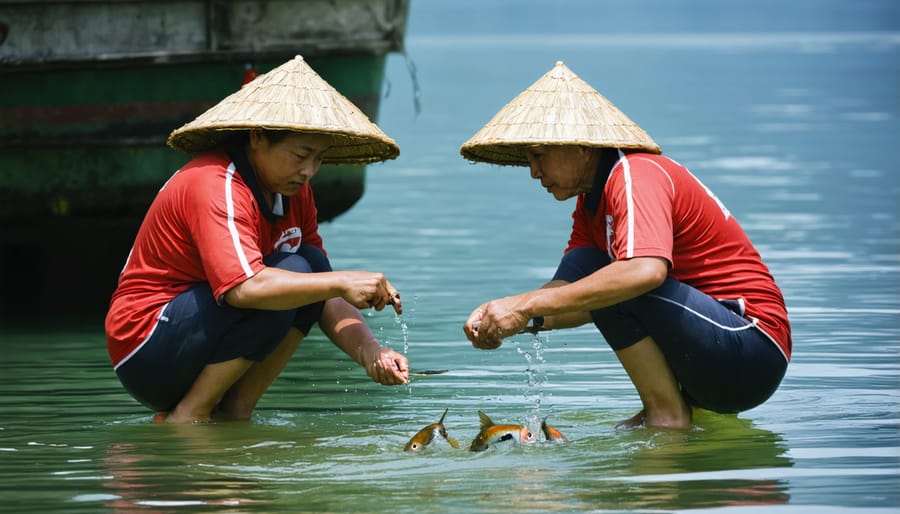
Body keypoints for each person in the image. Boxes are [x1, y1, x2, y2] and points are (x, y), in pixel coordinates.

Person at [459, 61, 791, 429]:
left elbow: (645, 272)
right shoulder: (590, 205)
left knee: (616, 280)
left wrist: (522, 306)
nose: (534, 171)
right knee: (595, 276)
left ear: (582, 146)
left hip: (750, 346)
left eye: (539, 155)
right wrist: (506, 318)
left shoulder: (636, 175)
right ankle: (665, 411)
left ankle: (667, 414)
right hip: (707, 357)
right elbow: (569, 297)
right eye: (529, 160)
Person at [105, 56, 410, 424]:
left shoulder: (295, 191)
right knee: (299, 270)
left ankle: (236, 411)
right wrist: (342, 280)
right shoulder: (215, 183)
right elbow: (244, 289)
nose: (309, 171)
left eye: (318, 158)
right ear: (257, 137)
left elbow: (322, 295)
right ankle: (191, 414)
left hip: (197, 334)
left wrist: (370, 352)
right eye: (300, 155)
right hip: (145, 346)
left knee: (309, 268)